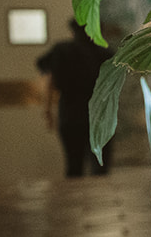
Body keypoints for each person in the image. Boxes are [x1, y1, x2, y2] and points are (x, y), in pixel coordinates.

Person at [37, 20, 112, 178]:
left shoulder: (61, 51)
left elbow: (50, 79)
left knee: (74, 166)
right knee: (101, 168)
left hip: (70, 115)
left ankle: (73, 202)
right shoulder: (105, 53)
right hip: (100, 116)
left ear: (73, 32)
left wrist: (47, 110)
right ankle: (102, 201)